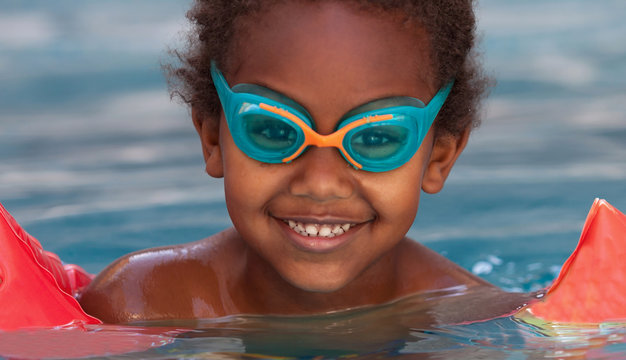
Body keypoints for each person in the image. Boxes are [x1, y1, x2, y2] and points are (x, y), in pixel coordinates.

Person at [78, 0, 529, 324]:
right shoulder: (142, 304)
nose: (320, 182)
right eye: (274, 130)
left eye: (374, 138)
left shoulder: (481, 320)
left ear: (440, 156)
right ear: (214, 136)